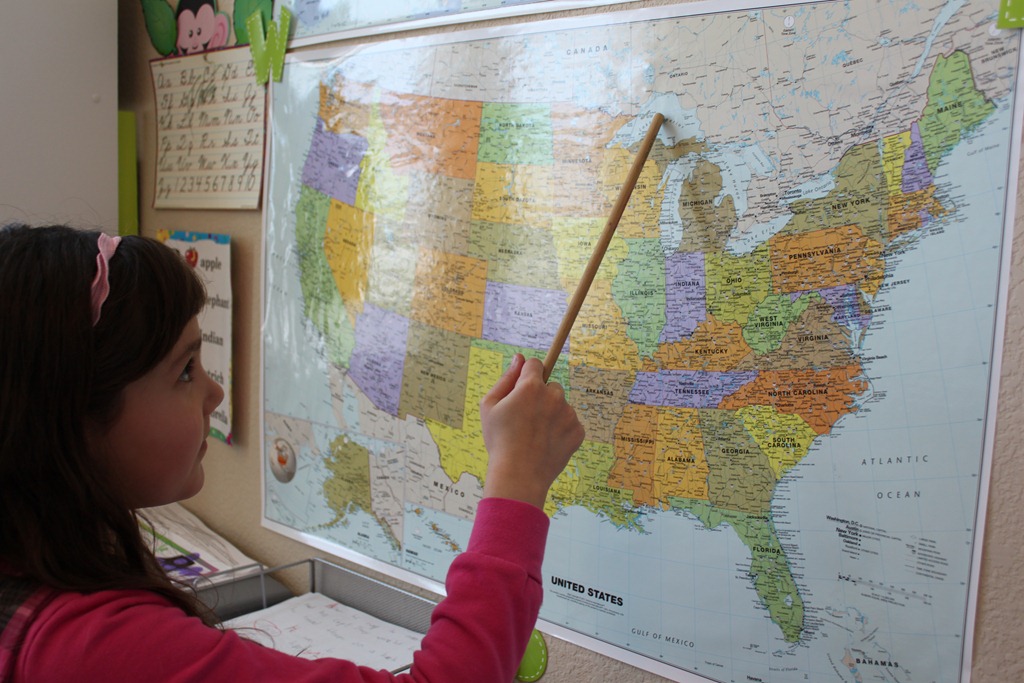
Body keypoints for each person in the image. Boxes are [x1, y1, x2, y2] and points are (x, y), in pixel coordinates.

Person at [0, 223, 585, 682]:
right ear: (70, 417)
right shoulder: (100, 650)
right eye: (184, 370)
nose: (214, 393)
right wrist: (517, 478)